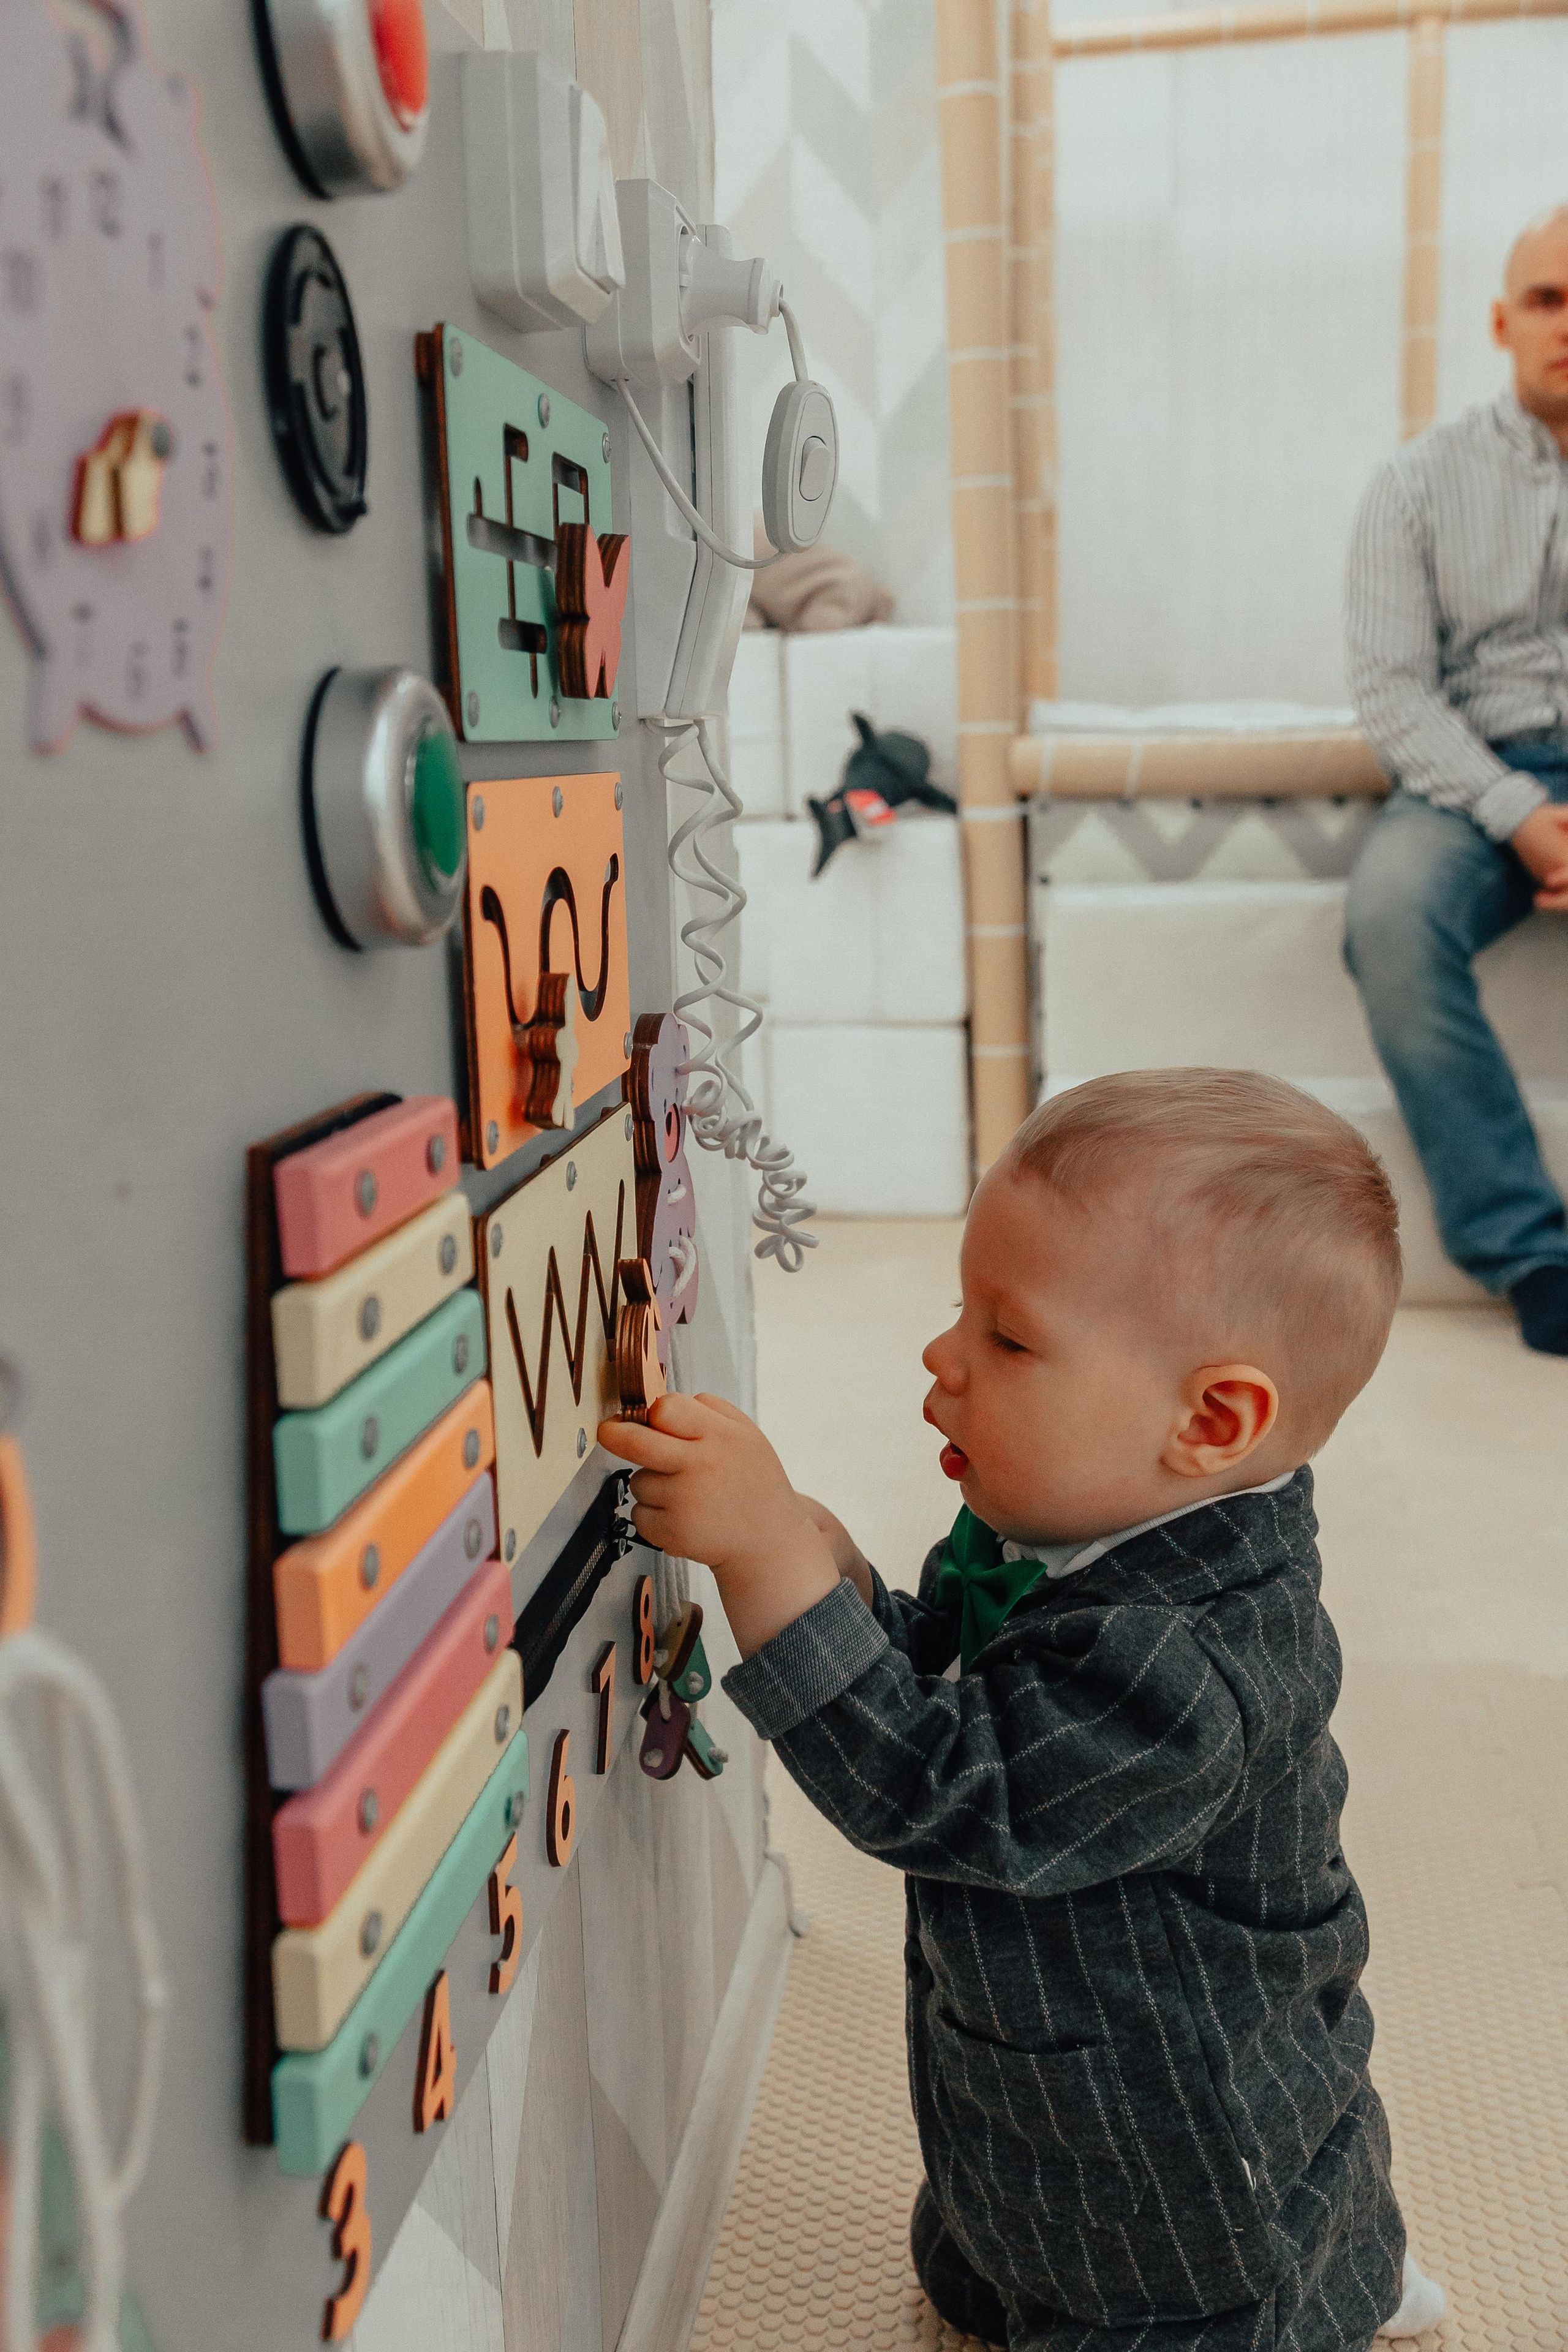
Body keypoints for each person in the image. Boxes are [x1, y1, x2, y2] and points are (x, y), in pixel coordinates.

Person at [600, 1070, 1446, 2352]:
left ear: (1209, 1420)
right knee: (984, 2259)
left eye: (1006, 1337)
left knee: (1182, 2296)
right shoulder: (1054, 1528)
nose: (941, 1357)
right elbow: (943, 1692)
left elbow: (943, 1790)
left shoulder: (1188, 1676)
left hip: (1179, 2175)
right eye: (960, 1310)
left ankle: (1322, 2294)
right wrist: (835, 1582)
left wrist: (768, 1572)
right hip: (1035, 2088)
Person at [1344, 205, 1568, 1352]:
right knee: (1388, 919)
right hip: (1472, 780)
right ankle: (1531, 1250)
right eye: (1549, 299)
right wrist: (1525, 817)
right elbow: (1390, 690)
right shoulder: (1417, 484)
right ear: (1502, 320)